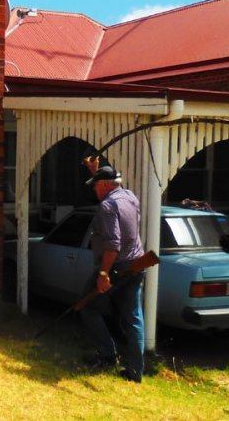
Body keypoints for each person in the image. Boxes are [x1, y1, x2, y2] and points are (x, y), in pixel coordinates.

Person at [80, 156, 146, 383]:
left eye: (96, 186)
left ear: (105, 186)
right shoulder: (130, 196)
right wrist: (96, 171)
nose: (94, 190)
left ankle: (107, 356)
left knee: (87, 306)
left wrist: (103, 274)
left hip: (116, 266)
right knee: (133, 317)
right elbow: (110, 187)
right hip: (137, 263)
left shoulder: (107, 206)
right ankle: (135, 372)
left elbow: (113, 245)